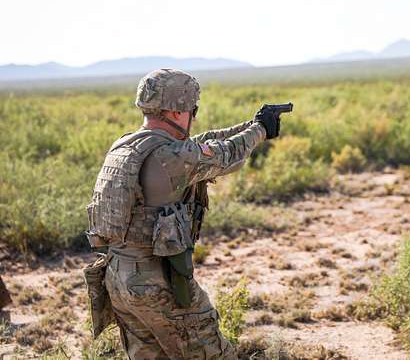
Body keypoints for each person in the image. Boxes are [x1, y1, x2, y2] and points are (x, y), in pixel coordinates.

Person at [85, 68, 281, 359]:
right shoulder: (172, 158)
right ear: (177, 111)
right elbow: (227, 154)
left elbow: (202, 143)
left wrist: (251, 123)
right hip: (156, 283)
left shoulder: (125, 146)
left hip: (118, 279)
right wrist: (261, 131)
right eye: (193, 109)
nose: (193, 116)